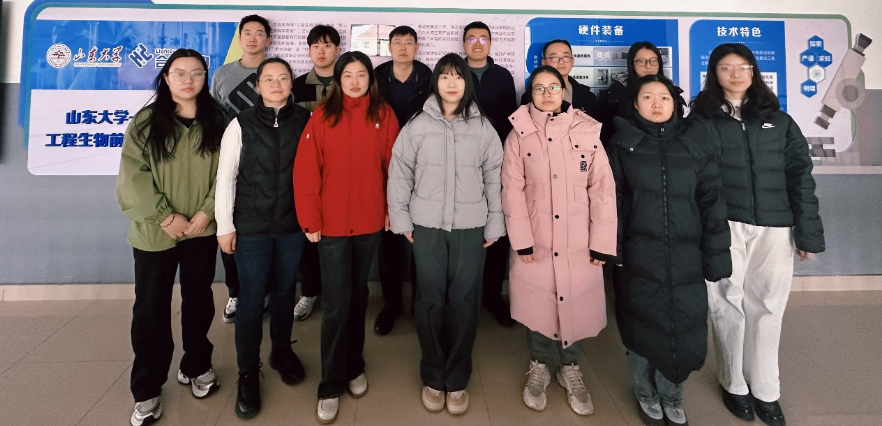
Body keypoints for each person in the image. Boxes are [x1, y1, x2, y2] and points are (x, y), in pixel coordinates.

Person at [690, 43, 824, 426]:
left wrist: (807, 233)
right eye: (726, 67)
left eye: (743, 66)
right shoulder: (701, 120)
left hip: (775, 225)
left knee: (767, 306)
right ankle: (733, 382)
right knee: (725, 301)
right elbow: (692, 177)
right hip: (723, 223)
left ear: (753, 71)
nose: (735, 74)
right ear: (713, 73)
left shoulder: (779, 121)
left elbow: (800, 176)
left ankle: (766, 388)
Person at [609, 74, 732, 426]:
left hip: (686, 253)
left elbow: (712, 202)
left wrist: (716, 255)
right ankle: (645, 393)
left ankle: (672, 395)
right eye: (647, 97)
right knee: (640, 324)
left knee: (684, 322)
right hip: (639, 253)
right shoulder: (622, 144)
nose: (657, 103)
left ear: (674, 103)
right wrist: (614, 251)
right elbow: (612, 203)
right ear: (635, 104)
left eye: (663, 97)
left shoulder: (695, 142)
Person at [387, 53, 504, 415]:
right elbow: (399, 174)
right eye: (445, 76)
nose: (451, 83)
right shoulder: (417, 125)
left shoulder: (483, 127)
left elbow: (495, 179)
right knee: (431, 301)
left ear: (467, 83)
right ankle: (433, 373)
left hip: (471, 227)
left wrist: (495, 222)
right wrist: (402, 219)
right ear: (435, 82)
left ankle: (457, 375)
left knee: (465, 302)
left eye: (459, 76)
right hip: (427, 227)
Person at [117, 48, 226, 426]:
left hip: (201, 228)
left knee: (199, 300)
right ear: (166, 78)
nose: (187, 80)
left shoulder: (219, 120)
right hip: (155, 231)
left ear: (205, 78)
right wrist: (164, 216)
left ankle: (196, 365)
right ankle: (147, 388)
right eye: (179, 73)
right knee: (150, 307)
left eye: (196, 73)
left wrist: (207, 212)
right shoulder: (146, 122)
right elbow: (132, 176)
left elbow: (228, 172)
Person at [502, 65, 616, 416]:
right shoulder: (518, 134)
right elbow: (512, 190)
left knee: (576, 301)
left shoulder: (586, 130)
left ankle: (570, 367)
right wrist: (521, 240)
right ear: (530, 94)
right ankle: (538, 364)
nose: (547, 93)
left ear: (564, 91)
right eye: (539, 88)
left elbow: (603, 190)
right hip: (536, 239)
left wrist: (602, 242)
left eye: (553, 87)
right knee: (538, 304)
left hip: (579, 240)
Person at [293, 51, 399, 424]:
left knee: (357, 296)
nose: (355, 81)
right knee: (336, 303)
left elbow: (395, 167)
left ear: (371, 78)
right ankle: (330, 383)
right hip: (332, 225)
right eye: (348, 75)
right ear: (338, 80)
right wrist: (310, 219)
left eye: (361, 74)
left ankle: (355, 365)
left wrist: (393, 209)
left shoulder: (383, 114)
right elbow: (306, 170)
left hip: (369, 221)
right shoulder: (322, 116)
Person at [215, 57, 312, 419]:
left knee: (286, 292)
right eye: (268, 79)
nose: (275, 84)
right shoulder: (240, 124)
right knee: (252, 300)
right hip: (251, 227)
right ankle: (247, 372)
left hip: (291, 226)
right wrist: (225, 225)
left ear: (291, 84)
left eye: (282, 78)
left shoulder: (305, 121)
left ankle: (282, 351)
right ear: (257, 86)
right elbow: (226, 176)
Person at [209, 14, 272, 323]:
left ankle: (266, 291)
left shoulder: (275, 72)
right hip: (231, 160)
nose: (252, 38)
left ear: (268, 40)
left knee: (267, 231)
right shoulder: (222, 74)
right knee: (229, 225)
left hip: (269, 164)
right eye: (247, 33)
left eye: (259, 33)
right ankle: (235, 292)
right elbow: (213, 115)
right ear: (239, 37)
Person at [372, 25, 433, 336]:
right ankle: (391, 305)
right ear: (389, 47)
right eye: (398, 42)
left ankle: (422, 304)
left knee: (421, 240)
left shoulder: (430, 78)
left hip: (423, 165)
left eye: (409, 43)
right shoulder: (376, 78)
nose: (403, 48)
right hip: (384, 164)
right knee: (390, 240)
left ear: (417, 47)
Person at [462, 20, 518, 327]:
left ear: (491, 43)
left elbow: (511, 121)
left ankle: (494, 296)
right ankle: (466, 297)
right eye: (471, 38)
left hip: (497, 164)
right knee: (467, 230)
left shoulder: (502, 76)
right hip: (462, 164)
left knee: (497, 228)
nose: (477, 43)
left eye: (483, 38)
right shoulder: (455, 73)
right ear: (464, 44)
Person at [289, 24, 342, 322]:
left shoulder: (348, 82)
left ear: (337, 50)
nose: (322, 51)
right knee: (308, 235)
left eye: (327, 45)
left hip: (341, 173)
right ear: (309, 51)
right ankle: (309, 291)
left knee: (338, 238)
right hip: (306, 170)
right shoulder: (296, 86)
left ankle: (336, 294)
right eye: (316, 45)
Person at [597, 41, 686, 145]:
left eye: (653, 60)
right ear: (632, 64)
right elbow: (608, 132)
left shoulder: (671, 90)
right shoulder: (617, 92)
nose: (648, 66)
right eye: (641, 61)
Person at [519, 39, 600, 119]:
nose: (561, 62)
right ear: (544, 63)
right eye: (554, 57)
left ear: (572, 62)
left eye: (566, 57)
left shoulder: (588, 97)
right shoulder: (529, 97)